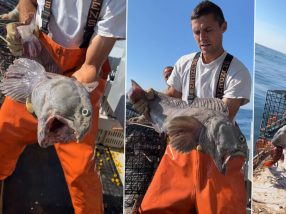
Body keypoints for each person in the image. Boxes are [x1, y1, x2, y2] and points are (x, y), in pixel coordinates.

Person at [0, 0, 125, 213]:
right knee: (4, 133)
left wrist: (59, 96)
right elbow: (26, 2)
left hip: (79, 79)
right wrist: (25, 21)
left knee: (82, 169)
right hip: (36, 66)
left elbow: (91, 65)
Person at [136, 1, 251, 213]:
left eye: (208, 30)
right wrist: (149, 98)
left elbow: (225, 117)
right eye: (196, 32)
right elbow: (171, 97)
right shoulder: (184, 62)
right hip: (179, 151)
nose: (202, 38)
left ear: (223, 27)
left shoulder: (238, 71)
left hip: (217, 157)